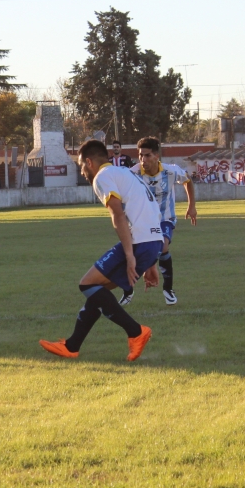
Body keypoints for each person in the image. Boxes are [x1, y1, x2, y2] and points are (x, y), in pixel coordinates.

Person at [39, 139, 163, 362]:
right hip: (152, 241)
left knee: (87, 283)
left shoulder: (102, 177)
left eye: (81, 167)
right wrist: (151, 261)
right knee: (97, 292)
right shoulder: (124, 173)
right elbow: (148, 210)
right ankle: (72, 346)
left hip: (139, 243)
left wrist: (130, 255)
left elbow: (118, 214)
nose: (83, 172)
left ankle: (136, 332)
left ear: (89, 162)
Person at [130, 137, 197, 306]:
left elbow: (188, 181)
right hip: (143, 221)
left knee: (163, 245)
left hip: (165, 218)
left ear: (156, 156)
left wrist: (192, 206)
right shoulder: (133, 174)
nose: (143, 160)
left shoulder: (171, 171)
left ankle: (167, 288)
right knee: (137, 253)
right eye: (140, 156)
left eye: (147, 155)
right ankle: (129, 290)